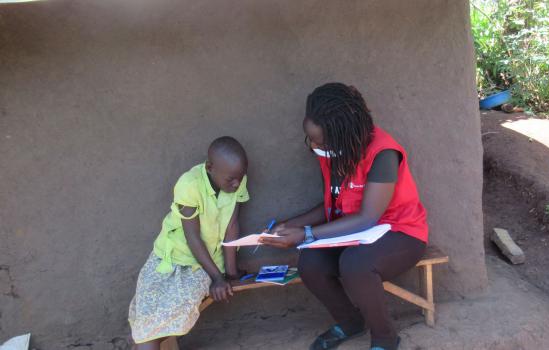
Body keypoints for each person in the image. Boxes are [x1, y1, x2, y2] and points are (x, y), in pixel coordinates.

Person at [261, 83, 428, 350]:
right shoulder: (332, 152)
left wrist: (306, 233)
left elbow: (367, 218)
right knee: (310, 263)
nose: (314, 146)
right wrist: (291, 224)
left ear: (343, 133)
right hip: (356, 233)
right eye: (311, 139)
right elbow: (332, 202)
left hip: (400, 234)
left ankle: (385, 338)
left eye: (320, 141)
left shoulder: (383, 153)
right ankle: (350, 322)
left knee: (355, 265)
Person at [128, 136, 250, 349]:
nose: (237, 183)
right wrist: (217, 278)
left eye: (240, 177)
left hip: (201, 265)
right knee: (147, 311)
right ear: (210, 168)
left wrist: (230, 274)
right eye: (231, 179)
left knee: (173, 310)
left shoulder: (236, 180)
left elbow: (232, 226)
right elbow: (192, 236)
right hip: (169, 256)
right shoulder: (189, 185)